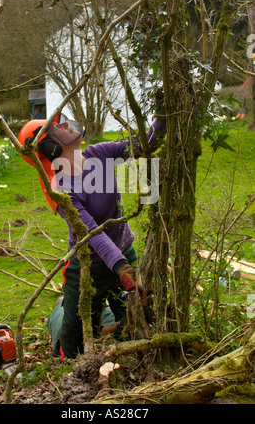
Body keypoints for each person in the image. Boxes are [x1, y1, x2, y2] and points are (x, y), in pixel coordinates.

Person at [19, 113, 165, 358]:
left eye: (60, 120)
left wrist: (162, 114)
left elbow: (143, 146)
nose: (65, 124)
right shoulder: (63, 190)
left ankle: (111, 318)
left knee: (140, 319)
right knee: (72, 348)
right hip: (88, 267)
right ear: (50, 147)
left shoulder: (99, 153)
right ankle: (59, 312)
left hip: (123, 251)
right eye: (56, 126)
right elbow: (92, 234)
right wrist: (122, 268)